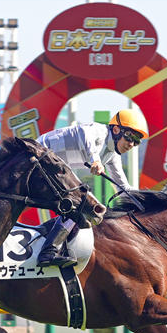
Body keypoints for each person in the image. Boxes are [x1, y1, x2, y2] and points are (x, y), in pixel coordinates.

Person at [34, 108, 149, 267]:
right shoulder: (99, 130)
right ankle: (48, 252)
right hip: (38, 154)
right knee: (81, 202)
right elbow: (83, 133)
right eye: (130, 136)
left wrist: (149, 202)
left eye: (137, 141)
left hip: (53, 168)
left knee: (88, 207)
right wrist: (95, 159)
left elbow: (123, 188)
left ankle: (49, 243)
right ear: (116, 129)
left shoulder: (112, 156)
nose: (131, 144)